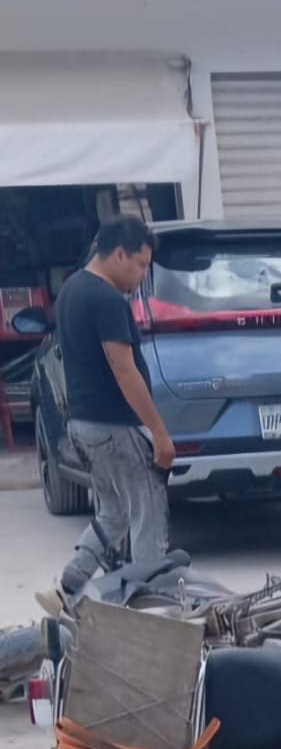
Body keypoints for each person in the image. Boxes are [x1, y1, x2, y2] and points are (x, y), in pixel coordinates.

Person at [38, 215, 175, 615]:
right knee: (148, 510)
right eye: (141, 264)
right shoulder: (106, 298)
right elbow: (124, 368)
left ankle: (69, 585)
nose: (142, 275)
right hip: (115, 425)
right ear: (119, 254)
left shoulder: (70, 292)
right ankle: (148, 609)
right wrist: (159, 432)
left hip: (83, 424)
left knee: (114, 512)